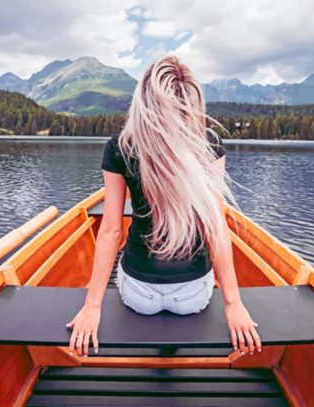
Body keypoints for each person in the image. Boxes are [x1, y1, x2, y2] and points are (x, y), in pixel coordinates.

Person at [66, 54, 262, 359]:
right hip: (193, 295)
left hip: (138, 294)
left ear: (143, 100)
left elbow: (112, 232)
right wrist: (233, 305)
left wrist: (92, 307)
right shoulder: (208, 146)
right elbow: (216, 229)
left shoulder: (120, 147)